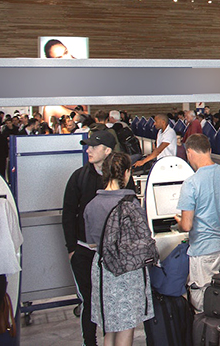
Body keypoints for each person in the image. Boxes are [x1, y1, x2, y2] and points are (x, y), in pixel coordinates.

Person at [84, 152, 154, 346]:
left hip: (102, 270)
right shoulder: (131, 204)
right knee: (126, 327)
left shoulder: (91, 206)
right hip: (127, 272)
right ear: (127, 173)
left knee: (110, 327)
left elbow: (91, 243)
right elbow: (143, 239)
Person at [62, 130, 122, 346]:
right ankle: (90, 342)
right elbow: (68, 212)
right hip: (83, 251)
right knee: (89, 300)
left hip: (112, 253)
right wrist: (72, 249)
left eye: (93, 147)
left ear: (107, 150)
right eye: (87, 146)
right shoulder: (79, 177)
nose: (88, 150)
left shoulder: (121, 177)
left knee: (110, 301)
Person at [174, 134, 220, 312]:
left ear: (188, 153)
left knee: (203, 304)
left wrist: (179, 223)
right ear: (209, 150)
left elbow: (187, 226)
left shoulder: (191, 184)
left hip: (203, 251)